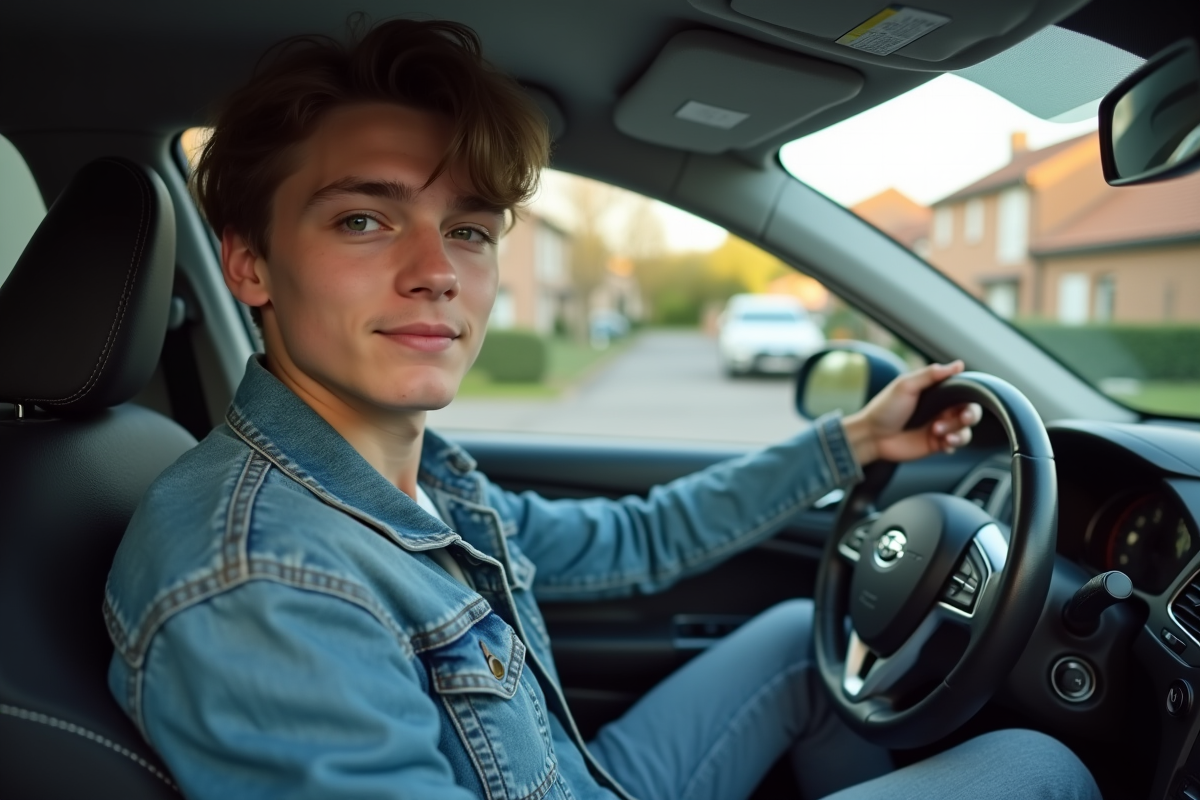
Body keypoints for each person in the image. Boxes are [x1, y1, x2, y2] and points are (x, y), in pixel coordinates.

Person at [103, 18, 1101, 800]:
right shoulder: (263, 580)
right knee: (1038, 768)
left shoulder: (413, 473)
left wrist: (854, 440)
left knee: (803, 635)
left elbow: (630, 536)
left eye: (469, 229)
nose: (435, 272)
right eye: (364, 218)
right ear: (248, 261)